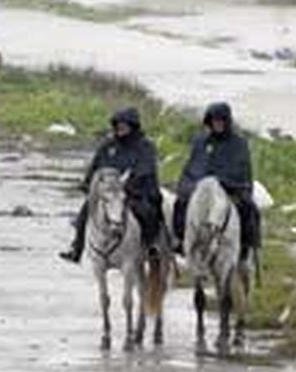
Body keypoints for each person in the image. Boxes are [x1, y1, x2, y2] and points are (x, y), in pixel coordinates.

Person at [60, 107, 164, 263]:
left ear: (132, 126)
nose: (120, 128)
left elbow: (145, 169)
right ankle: (76, 248)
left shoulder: (145, 146)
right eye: (118, 125)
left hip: (137, 191)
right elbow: (96, 166)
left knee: (146, 213)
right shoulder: (108, 146)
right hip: (109, 192)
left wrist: (128, 184)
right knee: (84, 213)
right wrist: (87, 182)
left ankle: (151, 246)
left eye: (124, 125)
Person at [172, 101, 262, 261]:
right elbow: (192, 165)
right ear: (209, 122)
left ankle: (245, 245)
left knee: (249, 208)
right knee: (180, 202)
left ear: (227, 122)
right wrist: (189, 184)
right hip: (202, 187)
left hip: (229, 187)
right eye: (214, 121)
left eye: (221, 120)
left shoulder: (239, 143)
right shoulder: (201, 142)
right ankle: (181, 239)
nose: (217, 124)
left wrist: (221, 180)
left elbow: (241, 169)